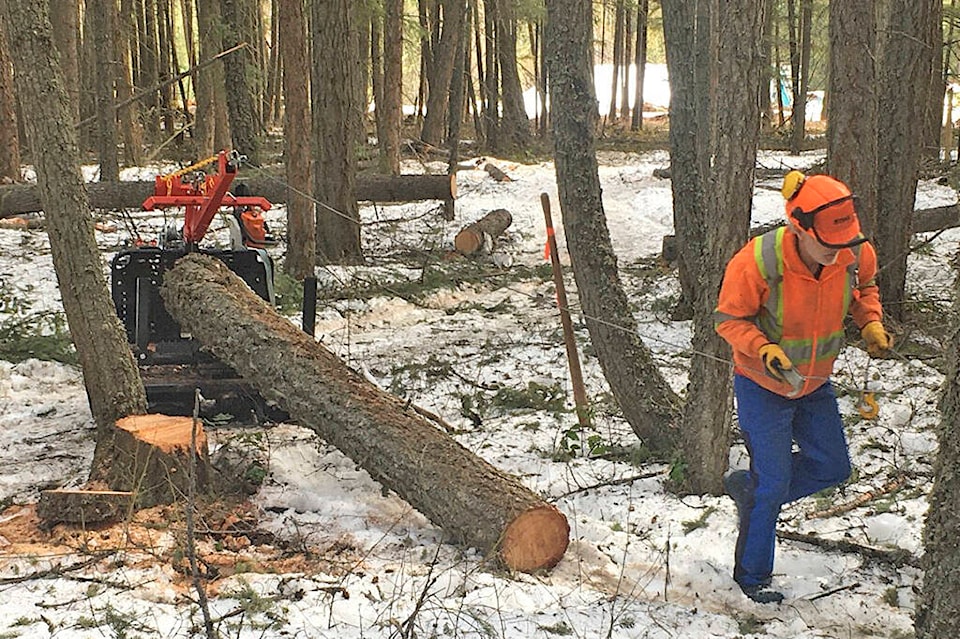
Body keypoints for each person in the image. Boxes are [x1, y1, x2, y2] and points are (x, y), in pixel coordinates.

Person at [714, 171, 893, 604]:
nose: (838, 254)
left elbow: (865, 286)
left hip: (814, 384)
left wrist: (870, 322)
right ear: (799, 227)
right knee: (773, 484)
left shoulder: (852, 252)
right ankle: (752, 577)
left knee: (833, 467)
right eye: (829, 246)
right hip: (762, 385)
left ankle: (750, 493)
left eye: (846, 243)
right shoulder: (758, 261)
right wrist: (763, 349)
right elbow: (728, 320)